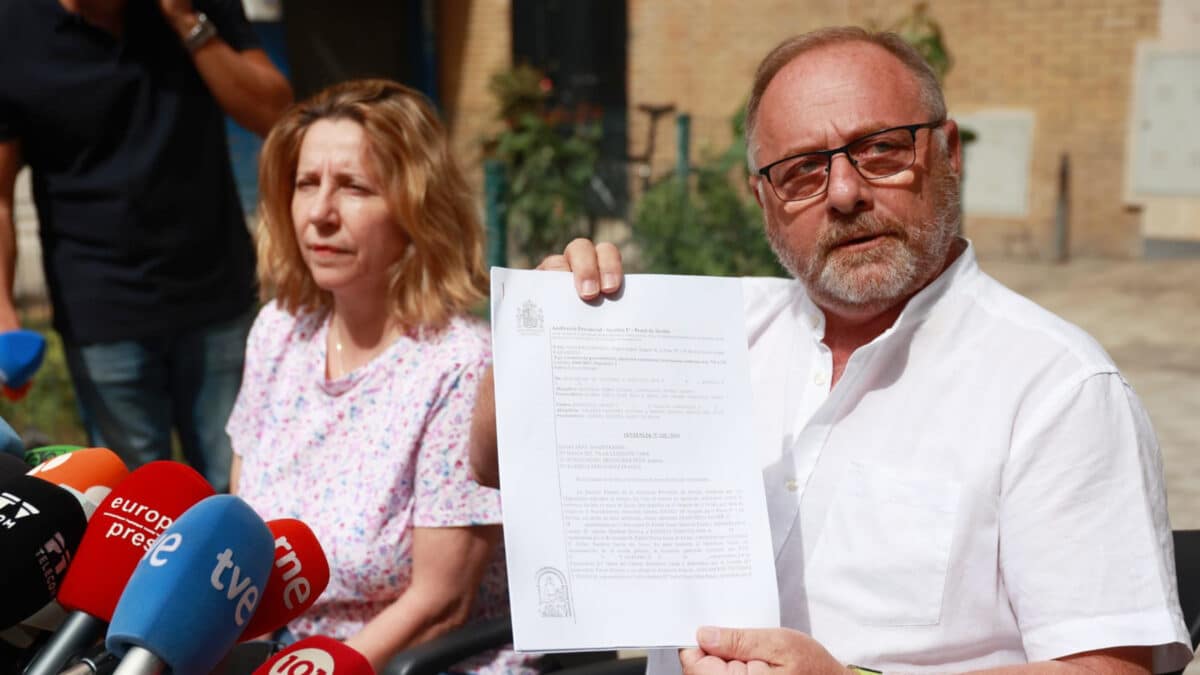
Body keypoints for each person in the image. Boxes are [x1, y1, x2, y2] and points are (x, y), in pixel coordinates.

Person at [469, 27, 1191, 675]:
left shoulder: (1056, 387)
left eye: (881, 150)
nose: (844, 192)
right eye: (803, 170)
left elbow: (1109, 667)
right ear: (763, 199)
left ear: (948, 153)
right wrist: (541, 337)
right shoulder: (700, 339)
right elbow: (496, 464)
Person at [227, 79, 535, 674]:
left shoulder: (459, 365)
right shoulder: (278, 332)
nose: (320, 214)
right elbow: (244, 528)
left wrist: (310, 671)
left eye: (354, 187)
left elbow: (440, 603)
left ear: (416, 209)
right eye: (306, 184)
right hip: (281, 653)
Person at [0, 0, 292, 491]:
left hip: (217, 295)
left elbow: (277, 114)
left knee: (240, 490)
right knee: (132, 503)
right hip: (101, 313)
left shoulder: (194, 6)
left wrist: (186, 21)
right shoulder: (12, 28)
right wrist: (4, 314)